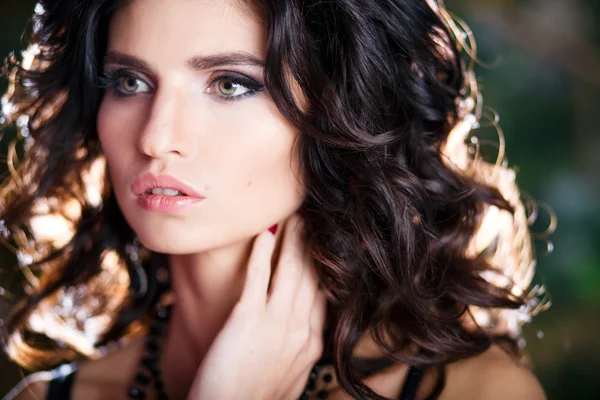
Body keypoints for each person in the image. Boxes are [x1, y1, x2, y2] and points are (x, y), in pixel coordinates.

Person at [0, 0, 549, 398]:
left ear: (344, 110)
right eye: (128, 82)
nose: (155, 137)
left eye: (230, 84)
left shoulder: (480, 392)